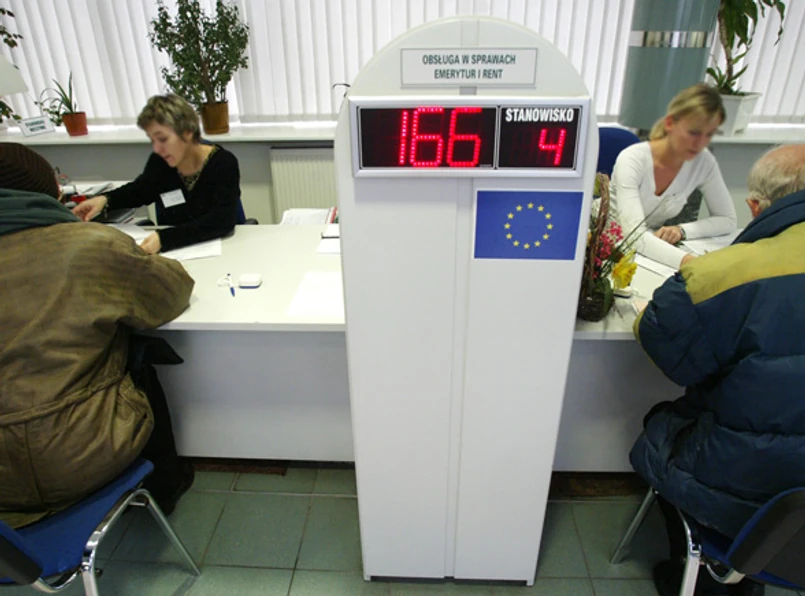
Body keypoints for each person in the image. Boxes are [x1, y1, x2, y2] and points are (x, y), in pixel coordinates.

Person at [630, 144, 805, 596]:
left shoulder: (726, 273)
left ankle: (711, 576)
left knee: (662, 428)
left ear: (755, 207)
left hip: (753, 484)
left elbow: (669, 350)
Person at [0, 142, 196, 528]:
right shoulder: (90, 246)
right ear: (52, 193)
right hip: (85, 453)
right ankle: (165, 486)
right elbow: (172, 292)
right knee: (139, 353)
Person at [72, 93, 241, 254]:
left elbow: (222, 220)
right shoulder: (161, 161)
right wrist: (105, 200)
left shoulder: (223, 163)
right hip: (174, 254)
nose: (157, 148)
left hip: (223, 248)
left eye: (162, 139)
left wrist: (164, 239)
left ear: (187, 133)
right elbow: (140, 191)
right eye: (152, 140)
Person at [610, 83, 738, 269]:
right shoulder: (633, 159)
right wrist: (691, 263)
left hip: (648, 247)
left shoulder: (704, 162)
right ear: (670, 123)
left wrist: (682, 230)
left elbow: (727, 219)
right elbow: (633, 235)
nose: (700, 143)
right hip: (607, 245)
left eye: (709, 135)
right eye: (694, 133)